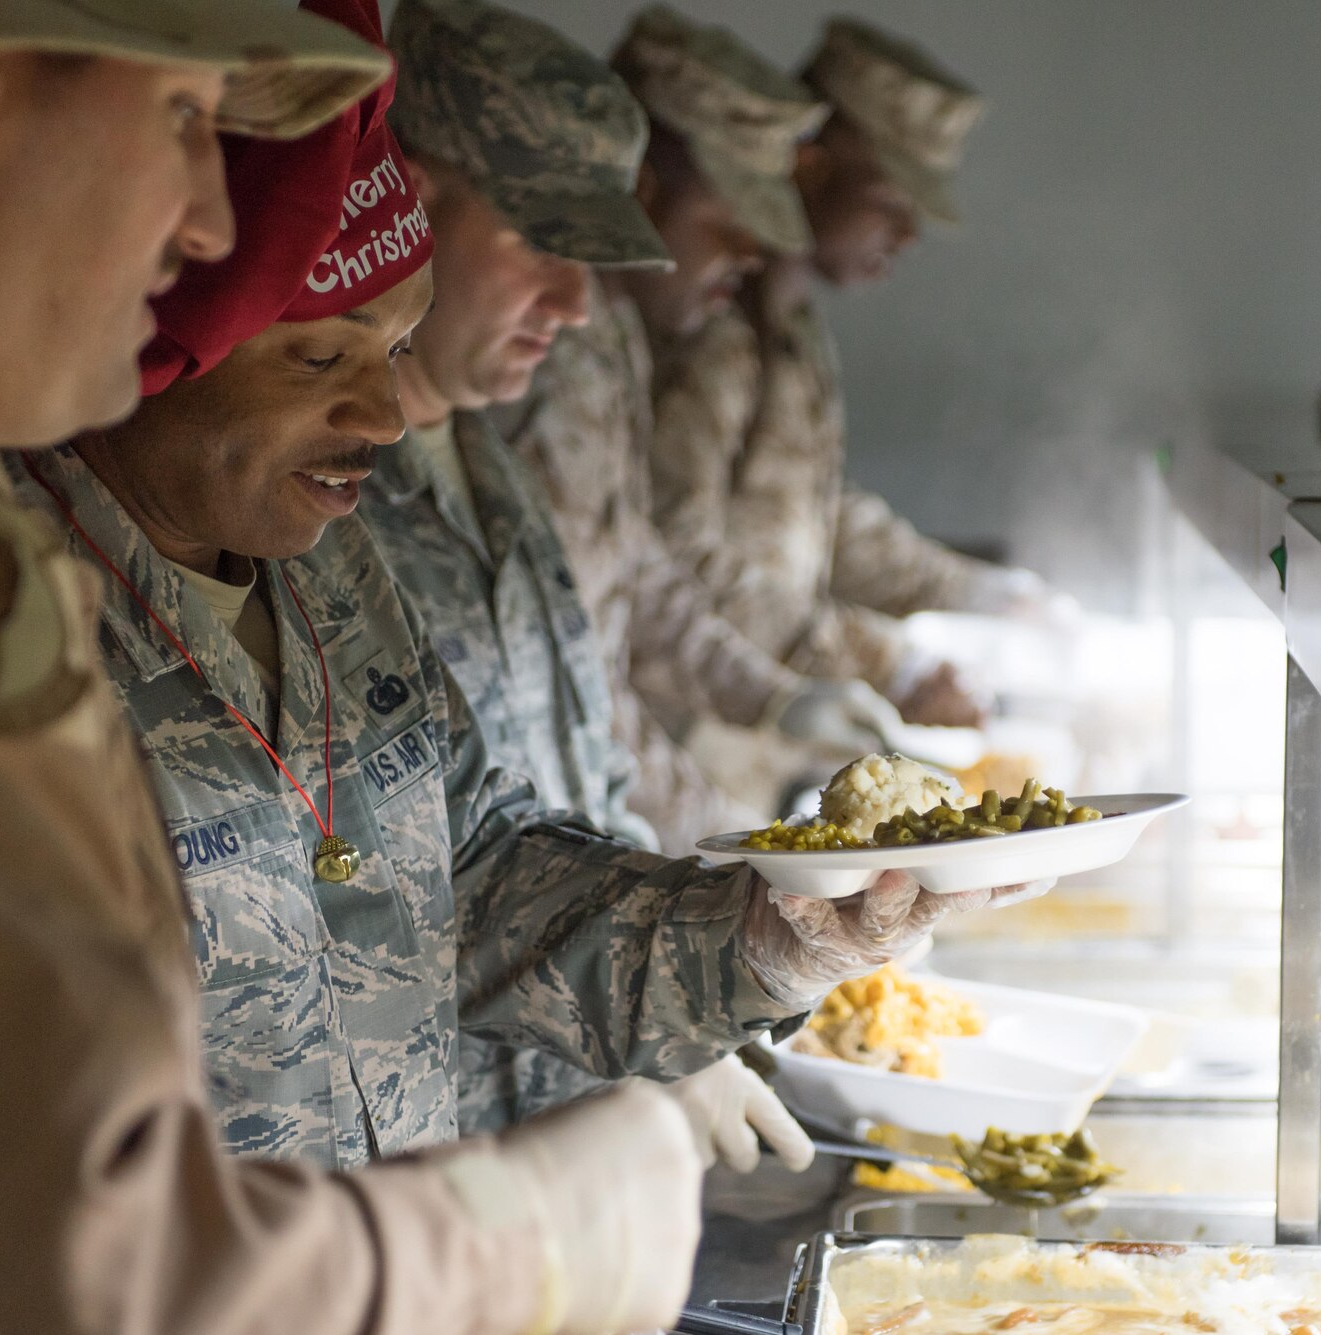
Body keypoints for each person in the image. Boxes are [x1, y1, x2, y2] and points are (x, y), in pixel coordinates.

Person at [11, 0, 1001, 1249]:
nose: (383, 414)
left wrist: (760, 943)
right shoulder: (2, 607)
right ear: (160, 334)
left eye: (397, 346)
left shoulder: (327, 570)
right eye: (318, 361)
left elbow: (472, 869)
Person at [377, 0, 830, 1167]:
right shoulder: (314, 500)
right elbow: (432, 880)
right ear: (409, 205)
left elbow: (581, 755)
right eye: (539, 243)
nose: (579, 306)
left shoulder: (487, 461)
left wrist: (704, 980)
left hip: (563, 1077)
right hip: (438, 1143)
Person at [498, 1, 904, 856]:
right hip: (559, 829)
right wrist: (728, 837)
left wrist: (771, 695)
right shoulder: (547, 354)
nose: (752, 258)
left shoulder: (610, 329)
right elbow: (575, 676)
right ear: (644, 191)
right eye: (728, 226)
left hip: (617, 809)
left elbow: (633, 560)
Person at [648, 17, 1063, 730]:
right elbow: (677, 556)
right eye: (892, 201)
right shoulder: (710, 328)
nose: (906, 236)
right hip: (704, 728)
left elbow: (814, 510)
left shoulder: (792, 328)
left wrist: (977, 590)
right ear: (813, 166)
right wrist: (882, 663)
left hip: (766, 728)